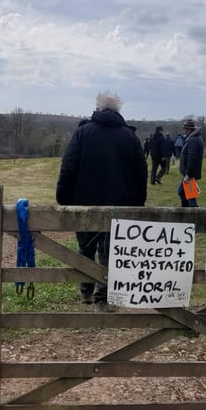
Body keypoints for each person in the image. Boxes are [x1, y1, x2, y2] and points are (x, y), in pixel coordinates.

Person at [56, 91, 147, 312]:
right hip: (119, 202)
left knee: (85, 247)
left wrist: (63, 197)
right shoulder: (130, 137)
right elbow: (141, 174)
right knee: (110, 251)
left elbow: (69, 166)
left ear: (98, 109)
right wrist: (138, 203)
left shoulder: (83, 133)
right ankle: (104, 298)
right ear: (118, 111)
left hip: (85, 202)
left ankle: (86, 291)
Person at [177, 119, 204, 207]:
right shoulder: (193, 139)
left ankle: (192, 214)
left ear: (188, 129)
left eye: (185, 129)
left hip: (189, 173)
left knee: (189, 195)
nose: (184, 130)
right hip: (188, 172)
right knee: (183, 192)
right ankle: (186, 212)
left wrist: (188, 174)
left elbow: (192, 159)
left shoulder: (193, 140)